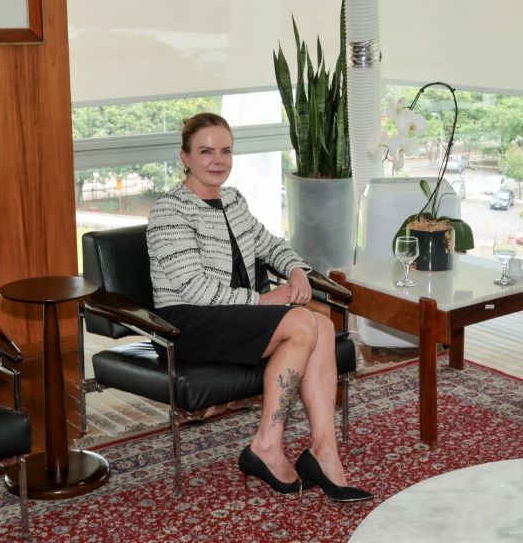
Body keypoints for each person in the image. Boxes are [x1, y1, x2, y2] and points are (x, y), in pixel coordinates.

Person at [147, 113, 370, 502]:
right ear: (184, 157)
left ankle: (323, 450)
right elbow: (194, 288)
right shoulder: (170, 211)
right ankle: (266, 446)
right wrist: (264, 300)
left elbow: (270, 245)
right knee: (304, 323)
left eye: (226, 151)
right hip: (185, 322)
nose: (218, 160)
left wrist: (296, 269)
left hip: (233, 314)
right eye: (206, 151)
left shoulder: (233, 201)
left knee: (320, 325)